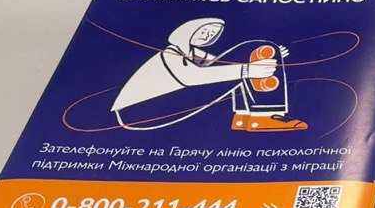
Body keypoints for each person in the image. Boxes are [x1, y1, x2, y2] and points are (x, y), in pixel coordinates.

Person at [111, 17, 307, 132]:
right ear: (188, 30)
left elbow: (223, 65)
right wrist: (248, 68)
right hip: (140, 112)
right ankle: (264, 115)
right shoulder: (171, 53)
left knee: (245, 61)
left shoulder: (193, 53)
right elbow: (190, 77)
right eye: (204, 31)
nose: (207, 36)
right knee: (250, 54)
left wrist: (268, 57)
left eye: (212, 33)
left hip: (152, 109)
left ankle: (245, 117)